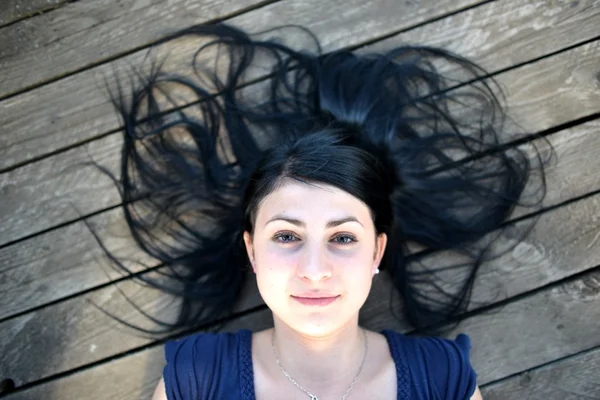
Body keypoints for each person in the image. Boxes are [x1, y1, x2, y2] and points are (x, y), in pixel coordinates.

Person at [103, 23, 547, 399]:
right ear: (252, 251)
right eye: (286, 236)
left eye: (342, 238)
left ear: (376, 253)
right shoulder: (195, 381)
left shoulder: (442, 380)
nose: (314, 270)